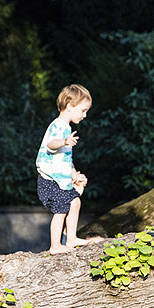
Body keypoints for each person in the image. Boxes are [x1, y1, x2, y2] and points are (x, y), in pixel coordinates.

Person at [36, 84, 102, 255]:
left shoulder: (66, 128)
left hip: (59, 179)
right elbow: (51, 144)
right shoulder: (58, 126)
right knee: (62, 209)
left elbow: (65, 159)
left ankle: (71, 238)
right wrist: (64, 141)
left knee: (75, 202)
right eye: (83, 110)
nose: (84, 115)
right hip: (50, 180)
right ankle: (55, 245)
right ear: (70, 106)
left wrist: (74, 174)